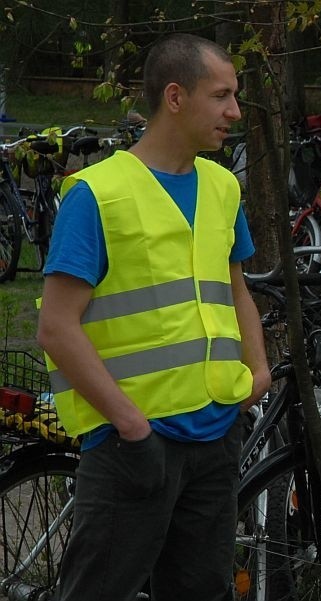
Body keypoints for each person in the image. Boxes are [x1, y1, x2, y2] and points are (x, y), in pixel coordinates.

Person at [37, 33, 270, 601]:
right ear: (174, 97)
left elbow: (235, 287)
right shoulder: (97, 194)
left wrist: (258, 371)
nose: (234, 112)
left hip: (215, 435)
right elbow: (56, 327)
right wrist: (132, 427)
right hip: (133, 446)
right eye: (222, 96)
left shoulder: (221, 186)